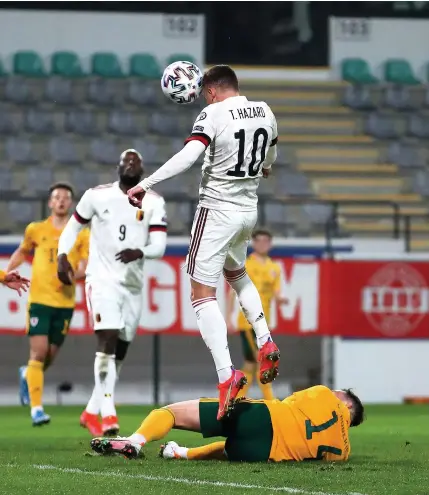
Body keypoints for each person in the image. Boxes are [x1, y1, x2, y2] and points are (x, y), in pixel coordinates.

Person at [127, 65, 280, 420]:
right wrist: (263, 167)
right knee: (238, 274)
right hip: (248, 211)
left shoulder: (212, 112)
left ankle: (227, 376)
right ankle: (265, 338)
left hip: (217, 210)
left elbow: (188, 156)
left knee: (201, 294)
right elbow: (270, 157)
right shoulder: (265, 110)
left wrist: (145, 184)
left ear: (209, 90)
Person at [57, 149, 167, 437]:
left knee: (120, 349)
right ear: (118, 167)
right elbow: (73, 226)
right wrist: (61, 255)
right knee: (107, 338)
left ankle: (91, 410)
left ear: (142, 170)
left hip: (133, 285)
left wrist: (140, 251)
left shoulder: (154, 202)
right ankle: (108, 413)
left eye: (136, 162)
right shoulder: (97, 195)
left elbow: (159, 245)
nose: (130, 164)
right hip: (102, 280)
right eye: (125, 161)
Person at [90, 385, 364, 462]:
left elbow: (292, 401)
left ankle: (135, 442)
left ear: (347, 403)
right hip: (261, 454)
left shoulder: (324, 394)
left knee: (172, 413)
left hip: (263, 419)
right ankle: (179, 453)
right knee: (228, 448)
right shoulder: (343, 450)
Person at [6, 183, 89, 426]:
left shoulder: (81, 234)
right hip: (40, 300)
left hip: (64, 302)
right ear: (51, 203)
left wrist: (73, 275)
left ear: (71, 204)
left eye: (65, 197)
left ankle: (28, 374)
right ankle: (37, 409)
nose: (61, 201)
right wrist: (7, 273)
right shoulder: (36, 229)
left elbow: (85, 264)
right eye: (56, 197)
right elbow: (22, 252)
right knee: (39, 352)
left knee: (49, 356)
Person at [226, 229, 287, 400]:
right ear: (253, 243)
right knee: (262, 360)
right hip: (247, 321)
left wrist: (281, 299)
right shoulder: (246, 264)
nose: (262, 244)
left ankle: (237, 398)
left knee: (251, 363)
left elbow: (276, 292)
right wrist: (229, 318)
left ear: (270, 244)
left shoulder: (274, 267)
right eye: (259, 241)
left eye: (265, 241)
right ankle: (269, 400)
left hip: (263, 323)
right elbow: (232, 292)